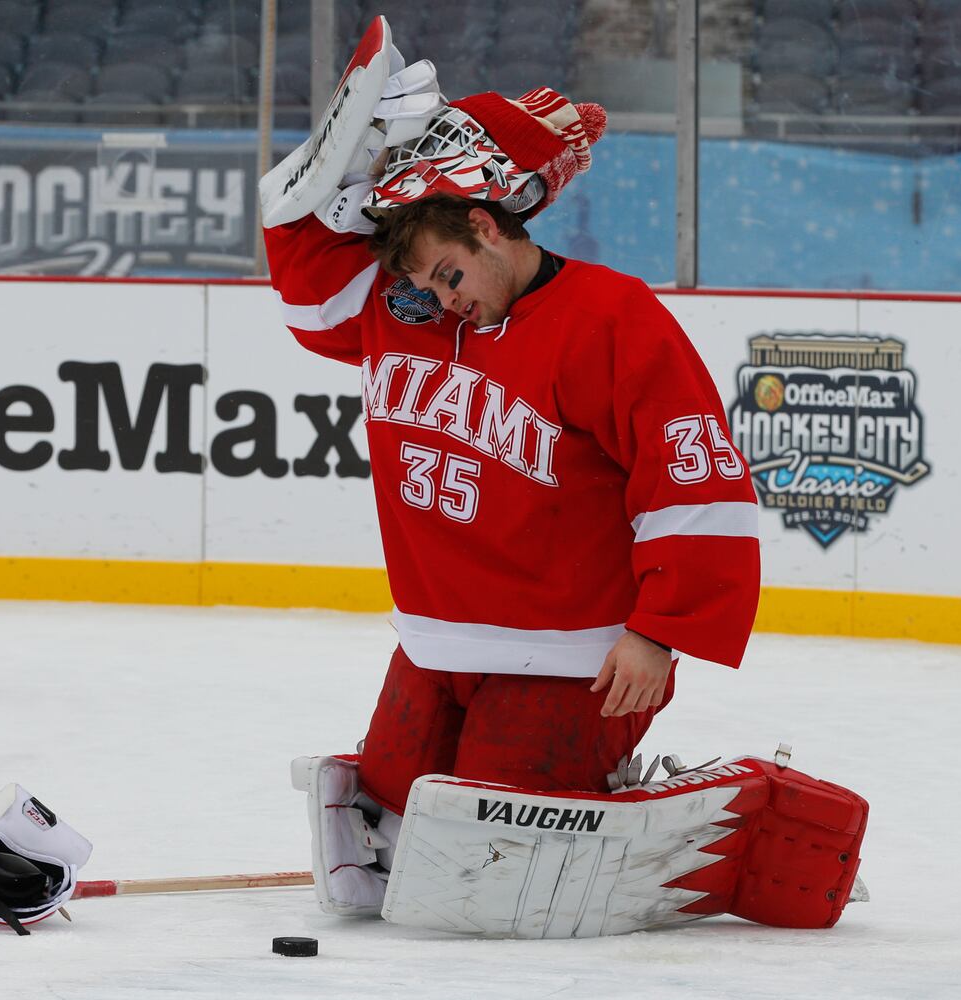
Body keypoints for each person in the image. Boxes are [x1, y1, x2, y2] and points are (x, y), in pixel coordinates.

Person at [262, 22, 762, 927]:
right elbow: (304, 290)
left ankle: (613, 791)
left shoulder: (611, 315)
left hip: (575, 654)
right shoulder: (406, 313)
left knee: (492, 843)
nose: (441, 300)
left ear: (490, 229)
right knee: (396, 801)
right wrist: (354, 156)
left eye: (451, 274)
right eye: (424, 286)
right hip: (436, 643)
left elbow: (693, 479)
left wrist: (660, 632)